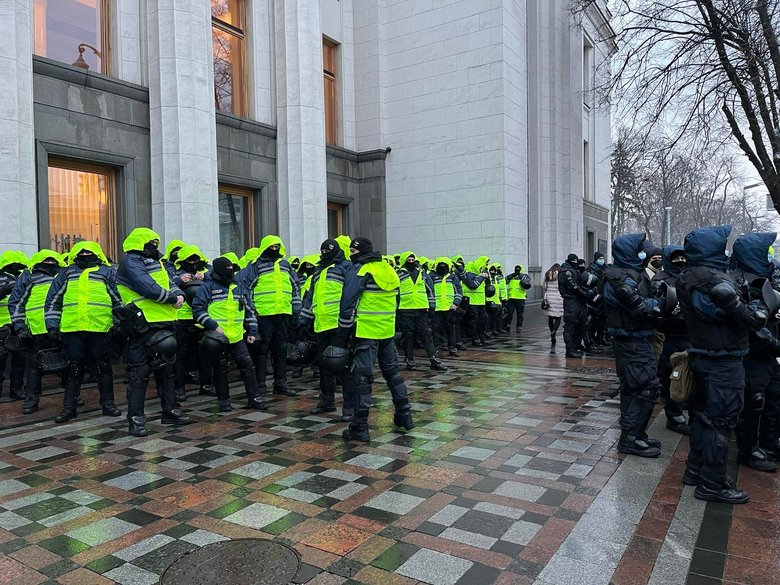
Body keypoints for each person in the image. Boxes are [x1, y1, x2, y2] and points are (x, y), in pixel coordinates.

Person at [676, 225, 767, 503]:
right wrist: (757, 313)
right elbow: (738, 317)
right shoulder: (711, 281)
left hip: (705, 357)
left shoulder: (690, 275)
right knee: (721, 422)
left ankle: (695, 469)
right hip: (722, 361)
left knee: (703, 417)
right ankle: (712, 484)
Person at [335, 237, 414, 442]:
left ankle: (359, 428)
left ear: (358, 252)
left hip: (366, 333)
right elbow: (397, 300)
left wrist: (342, 335)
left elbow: (347, 302)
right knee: (393, 375)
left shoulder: (360, 270)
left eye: (352, 251)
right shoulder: (388, 269)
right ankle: (404, 416)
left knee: (362, 380)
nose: (350, 254)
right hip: (387, 332)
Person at [117, 228, 192, 437]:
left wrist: (178, 295)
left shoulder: (156, 262)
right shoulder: (131, 260)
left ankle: (170, 411)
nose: (154, 245)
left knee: (167, 370)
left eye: (156, 241)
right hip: (143, 324)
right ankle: (136, 420)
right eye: (150, 241)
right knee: (139, 374)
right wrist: (171, 298)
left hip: (165, 321)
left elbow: (169, 282)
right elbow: (146, 286)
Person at [602, 233, 666, 458]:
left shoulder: (631, 273)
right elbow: (639, 309)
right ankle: (630, 438)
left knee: (635, 388)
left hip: (637, 338)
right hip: (632, 340)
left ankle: (634, 434)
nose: (646, 253)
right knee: (645, 388)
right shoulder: (621, 279)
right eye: (640, 249)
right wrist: (659, 302)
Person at [44, 242, 122, 422]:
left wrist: (118, 323)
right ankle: (69, 408)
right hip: (73, 328)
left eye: (89, 253)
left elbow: (118, 300)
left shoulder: (107, 272)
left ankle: (108, 404)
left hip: (100, 328)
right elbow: (53, 299)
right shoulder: (66, 273)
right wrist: (52, 325)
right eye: (82, 254)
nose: (85, 256)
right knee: (73, 367)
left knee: (103, 367)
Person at [728, 232, 779, 472]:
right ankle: (749, 449)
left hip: (768, 352)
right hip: (752, 352)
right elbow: (748, 320)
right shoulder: (740, 281)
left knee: (774, 398)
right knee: (753, 402)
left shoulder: (764, 276)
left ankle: (769, 443)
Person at [192, 255, 264, 411]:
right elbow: (197, 309)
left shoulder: (239, 287)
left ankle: (255, 398)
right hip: (218, 337)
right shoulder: (207, 287)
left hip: (237, 336)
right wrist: (213, 326)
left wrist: (252, 331)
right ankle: (224, 402)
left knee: (248, 366)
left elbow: (249, 310)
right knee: (220, 368)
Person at [236, 235, 301, 399]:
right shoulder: (256, 265)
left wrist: (296, 308)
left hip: (283, 313)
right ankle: (260, 385)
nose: (274, 250)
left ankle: (280, 383)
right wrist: (252, 313)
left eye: (276, 246)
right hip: (263, 315)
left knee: (280, 350)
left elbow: (295, 286)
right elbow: (247, 289)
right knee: (262, 350)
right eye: (271, 247)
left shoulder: (286, 265)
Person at [300, 239, 353, 417]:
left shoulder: (346, 267)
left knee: (342, 365)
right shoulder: (318, 270)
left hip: (339, 325)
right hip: (321, 325)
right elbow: (311, 296)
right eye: (322, 250)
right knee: (324, 365)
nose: (325, 253)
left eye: (328, 250)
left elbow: (351, 294)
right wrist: (303, 319)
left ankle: (349, 407)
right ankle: (327, 401)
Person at [8, 250, 62, 414]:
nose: (50, 265)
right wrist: (20, 327)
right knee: (34, 367)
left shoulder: (63, 274)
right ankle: (31, 398)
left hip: (61, 327)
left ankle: (73, 396)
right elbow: (16, 302)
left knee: (68, 364)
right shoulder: (29, 276)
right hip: (36, 329)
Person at [651, 245, 691, 434]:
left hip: (691, 335)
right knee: (670, 375)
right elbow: (656, 308)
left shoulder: (690, 277)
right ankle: (673, 414)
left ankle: (682, 403)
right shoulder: (660, 280)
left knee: (689, 373)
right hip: (670, 335)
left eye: (683, 258)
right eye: (676, 258)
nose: (680, 261)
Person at [170, 244, 211, 402]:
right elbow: (166, 283)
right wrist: (179, 280)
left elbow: (219, 282)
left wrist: (204, 277)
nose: (193, 264)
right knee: (180, 356)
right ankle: (179, 388)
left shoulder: (207, 271)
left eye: (195, 260)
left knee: (205, 353)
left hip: (202, 318)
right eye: (189, 260)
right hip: (182, 320)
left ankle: (206, 385)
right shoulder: (174, 272)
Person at [396, 252, 446, 371]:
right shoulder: (398, 274)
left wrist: (432, 305)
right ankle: (409, 359)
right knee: (407, 335)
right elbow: (395, 292)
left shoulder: (422, 273)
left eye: (413, 258)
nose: (411, 260)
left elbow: (430, 289)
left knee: (426, 334)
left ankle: (434, 359)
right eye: (409, 259)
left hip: (421, 308)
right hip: (405, 309)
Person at [0, 251, 29, 400]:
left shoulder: (23, 277)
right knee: (1, 359)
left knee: (20, 358)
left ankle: (16, 389)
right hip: (1, 326)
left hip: (17, 323)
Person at [558, 254, 591, 358]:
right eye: (575, 262)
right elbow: (572, 285)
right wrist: (584, 293)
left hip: (577, 300)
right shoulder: (565, 271)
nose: (577, 264)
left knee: (579, 323)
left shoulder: (573, 269)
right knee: (570, 325)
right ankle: (569, 349)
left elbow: (579, 283)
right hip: (570, 300)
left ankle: (576, 345)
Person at [429, 257, 463, 356]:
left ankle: (452, 348)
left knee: (451, 329)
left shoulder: (452, 277)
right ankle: (434, 349)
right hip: (436, 308)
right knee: (435, 330)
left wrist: (455, 303)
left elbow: (459, 291)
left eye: (444, 265)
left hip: (449, 308)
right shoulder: (432, 277)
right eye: (440, 265)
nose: (442, 267)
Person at [462, 256, 491, 346]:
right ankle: (475, 339)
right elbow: (472, 285)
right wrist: (482, 276)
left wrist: (487, 276)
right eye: (484, 265)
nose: (485, 267)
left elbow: (488, 284)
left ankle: (481, 337)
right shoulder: (469, 274)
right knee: (474, 321)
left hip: (481, 302)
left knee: (483, 319)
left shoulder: (481, 274)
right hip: (472, 302)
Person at [542, 264, 564, 352]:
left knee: (550, 317)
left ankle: (552, 331)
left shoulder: (547, 274)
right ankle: (554, 331)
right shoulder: (560, 275)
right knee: (558, 317)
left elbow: (543, 285)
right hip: (558, 297)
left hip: (549, 297)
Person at [505, 264, 532, 334]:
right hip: (511, 298)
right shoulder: (512, 276)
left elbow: (528, 283)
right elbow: (506, 280)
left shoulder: (524, 276)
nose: (517, 271)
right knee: (509, 313)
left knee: (519, 314)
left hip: (520, 298)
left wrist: (520, 276)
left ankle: (519, 327)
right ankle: (508, 325)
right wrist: (513, 275)